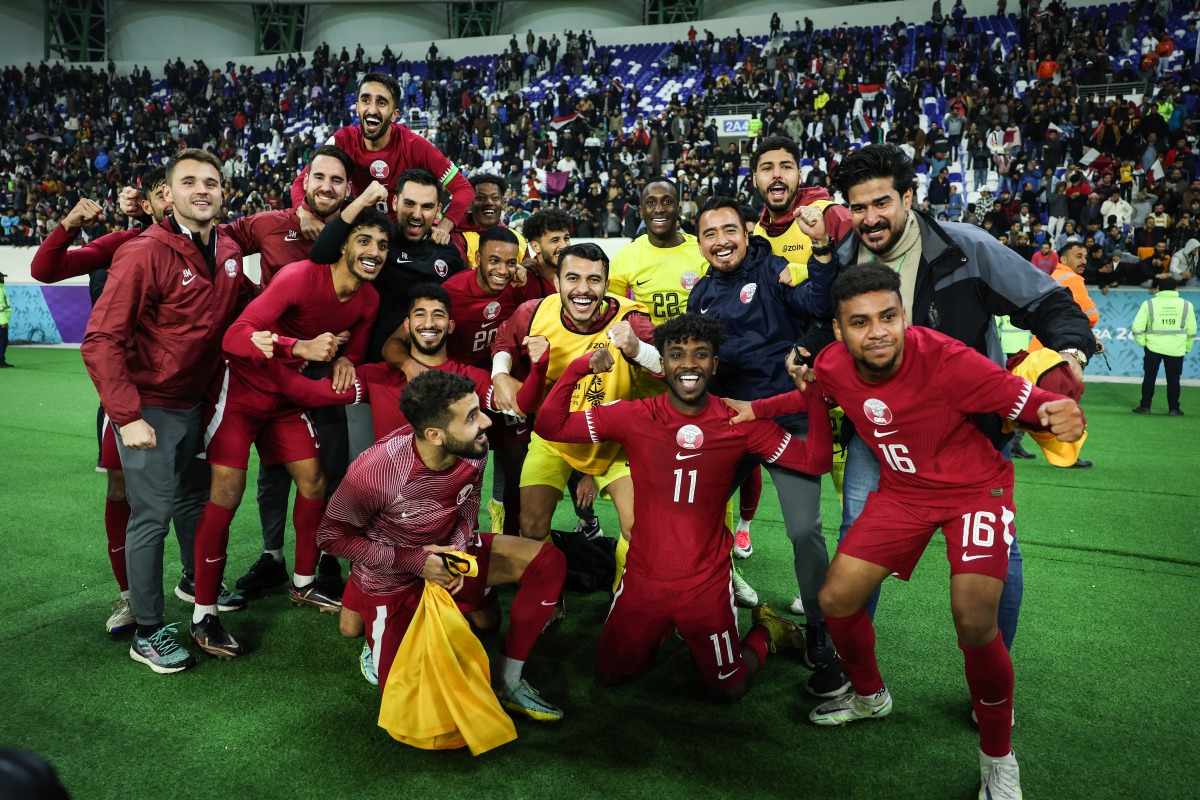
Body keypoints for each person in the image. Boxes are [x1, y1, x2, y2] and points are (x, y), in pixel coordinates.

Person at [739, 264, 1083, 800]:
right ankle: (871, 695)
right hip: (902, 493)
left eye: (888, 316)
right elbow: (813, 395)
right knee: (836, 599)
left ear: (903, 315)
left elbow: (1028, 402)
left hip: (975, 493)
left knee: (974, 623)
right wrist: (753, 408)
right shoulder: (831, 363)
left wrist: (1060, 414)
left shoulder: (948, 360)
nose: (877, 331)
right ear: (838, 330)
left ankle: (997, 757)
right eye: (860, 322)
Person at [822, 144, 1096, 653]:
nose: (870, 218)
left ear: (909, 198)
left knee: (998, 558)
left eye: (882, 202)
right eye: (858, 207)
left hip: (972, 432)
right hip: (879, 436)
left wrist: (1071, 356)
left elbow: (1047, 300)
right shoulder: (842, 261)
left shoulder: (965, 246)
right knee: (855, 539)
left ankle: (994, 678)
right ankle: (848, 671)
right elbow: (831, 337)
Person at [533, 313, 833, 701]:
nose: (689, 364)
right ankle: (662, 628)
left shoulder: (739, 421)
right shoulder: (635, 415)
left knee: (729, 690)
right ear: (663, 362)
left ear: (715, 364)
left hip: (704, 586)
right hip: (643, 580)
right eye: (676, 354)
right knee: (609, 674)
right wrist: (577, 368)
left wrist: (810, 396)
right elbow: (549, 427)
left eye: (701, 354)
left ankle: (767, 631)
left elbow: (815, 461)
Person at [187, 206, 387, 659]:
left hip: (284, 401)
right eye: (364, 241)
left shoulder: (368, 300)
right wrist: (296, 345)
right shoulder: (299, 276)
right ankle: (203, 613)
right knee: (228, 491)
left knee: (314, 480)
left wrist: (342, 360)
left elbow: (351, 350)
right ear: (343, 244)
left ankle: (303, 583)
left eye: (381, 245)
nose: (373, 252)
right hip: (239, 392)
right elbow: (236, 335)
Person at [316, 369, 568, 721]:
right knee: (416, 709)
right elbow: (330, 536)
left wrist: (457, 554)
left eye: (479, 410)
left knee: (540, 570)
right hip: (392, 575)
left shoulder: (472, 447)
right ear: (434, 434)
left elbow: (467, 504)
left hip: (448, 552)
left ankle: (508, 679)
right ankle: (368, 621)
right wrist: (417, 563)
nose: (486, 422)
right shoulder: (377, 471)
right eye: (471, 417)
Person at [81, 148, 248, 674]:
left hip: (196, 404)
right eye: (190, 182)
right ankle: (148, 631)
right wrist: (128, 417)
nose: (203, 190)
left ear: (225, 194)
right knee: (150, 516)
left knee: (193, 504)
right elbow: (101, 338)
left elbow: (250, 306)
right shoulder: (143, 250)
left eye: (213, 182)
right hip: (150, 406)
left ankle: (197, 591)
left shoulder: (225, 250)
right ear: (168, 194)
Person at [685, 196, 845, 697]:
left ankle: (818, 626)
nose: (721, 241)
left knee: (803, 528)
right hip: (728, 422)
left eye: (728, 230)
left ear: (745, 230)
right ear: (700, 242)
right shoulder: (702, 294)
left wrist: (820, 248)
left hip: (784, 419)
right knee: (692, 517)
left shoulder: (776, 270)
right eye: (710, 234)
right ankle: (710, 607)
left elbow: (820, 306)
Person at [491, 243, 658, 590]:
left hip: (616, 442)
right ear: (556, 282)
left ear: (607, 284)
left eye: (594, 280)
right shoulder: (534, 313)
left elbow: (670, 369)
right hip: (555, 439)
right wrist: (500, 373)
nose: (583, 289)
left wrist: (637, 349)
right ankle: (551, 599)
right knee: (532, 526)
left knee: (636, 528)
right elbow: (504, 339)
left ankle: (624, 598)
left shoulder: (631, 319)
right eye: (573, 278)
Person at [290, 72, 473, 244]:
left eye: (382, 103)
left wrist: (443, 226)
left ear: (394, 115)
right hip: (367, 235)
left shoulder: (413, 145)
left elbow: (463, 188)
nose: (372, 109)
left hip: (407, 236)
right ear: (357, 108)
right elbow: (301, 182)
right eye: (366, 100)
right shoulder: (342, 140)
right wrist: (306, 214)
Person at [314, 168, 467, 364]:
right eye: (409, 204)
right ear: (395, 203)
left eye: (427, 207)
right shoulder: (377, 242)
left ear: (438, 210)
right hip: (372, 364)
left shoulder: (446, 251)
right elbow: (320, 254)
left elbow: (471, 288)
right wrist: (361, 201)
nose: (417, 215)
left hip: (428, 365)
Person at [1131, 277, 1195, 416]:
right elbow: (1192, 330)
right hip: (1176, 348)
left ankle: (1145, 406)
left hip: (1153, 347)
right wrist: (1187, 347)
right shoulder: (1186, 305)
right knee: (1174, 379)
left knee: (1149, 377)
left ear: (1159, 288)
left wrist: (1143, 342)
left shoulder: (1149, 303)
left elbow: (1137, 327)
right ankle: (1174, 409)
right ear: (1175, 289)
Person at [451, 173, 529, 267]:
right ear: (469, 203)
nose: (489, 202)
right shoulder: (457, 237)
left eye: (495, 198)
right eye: (481, 198)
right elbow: (459, 278)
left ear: (503, 203)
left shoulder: (519, 239)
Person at [0, 271, 10, 368]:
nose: (3, 279)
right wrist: (3, 322)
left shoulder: (1, 289)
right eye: (2, 277)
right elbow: (0, 308)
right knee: (3, 341)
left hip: (2, 321)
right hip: (1, 322)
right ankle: (0, 361)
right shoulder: (0, 290)